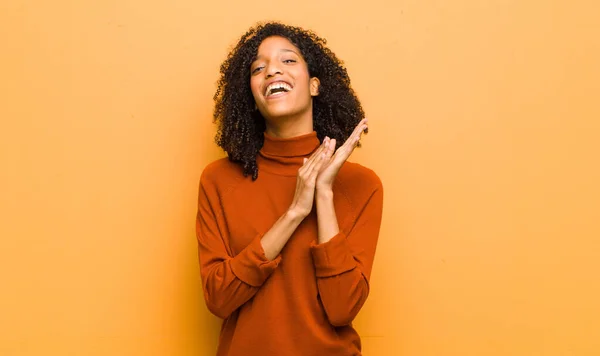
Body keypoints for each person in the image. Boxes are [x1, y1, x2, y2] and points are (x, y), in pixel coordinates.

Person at [195, 22, 384, 356]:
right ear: (251, 96)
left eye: (288, 61)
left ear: (314, 85)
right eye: (258, 68)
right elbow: (219, 298)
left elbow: (342, 308)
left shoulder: (361, 185)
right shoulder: (218, 180)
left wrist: (323, 194)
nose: (272, 71)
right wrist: (295, 212)